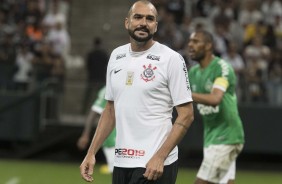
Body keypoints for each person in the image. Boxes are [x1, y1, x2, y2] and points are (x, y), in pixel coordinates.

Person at [79, 1, 194, 183]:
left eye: (150, 19)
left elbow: (186, 115)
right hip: (122, 161)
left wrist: (160, 157)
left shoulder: (171, 59)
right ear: (127, 22)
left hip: (154, 164)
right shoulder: (116, 56)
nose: (143, 23)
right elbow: (110, 109)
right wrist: (91, 152)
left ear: (155, 26)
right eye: (138, 17)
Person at [187, 30, 245, 184]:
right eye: (190, 41)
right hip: (211, 137)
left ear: (208, 46)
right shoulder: (193, 73)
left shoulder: (222, 68)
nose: (190, 45)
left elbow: (215, 98)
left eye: (196, 41)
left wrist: (183, 94)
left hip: (226, 136)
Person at [77, 85, 116, 174]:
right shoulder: (107, 89)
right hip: (112, 135)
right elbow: (94, 112)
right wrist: (85, 135)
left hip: (130, 134)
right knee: (118, 171)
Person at [81, 37, 109, 114]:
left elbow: (87, 66)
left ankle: (83, 111)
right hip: (101, 79)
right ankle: (100, 112)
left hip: (92, 78)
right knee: (100, 97)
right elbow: (107, 66)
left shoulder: (91, 54)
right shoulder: (104, 54)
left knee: (88, 97)